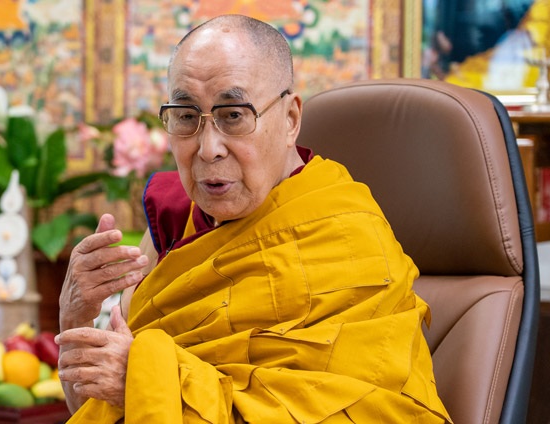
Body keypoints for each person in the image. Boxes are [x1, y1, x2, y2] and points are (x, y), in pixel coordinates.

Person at [56, 14, 451, 423]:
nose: (208, 149)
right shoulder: (172, 223)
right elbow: (101, 413)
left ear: (290, 120)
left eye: (233, 115)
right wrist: (76, 319)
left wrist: (144, 382)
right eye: (186, 117)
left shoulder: (349, 238)